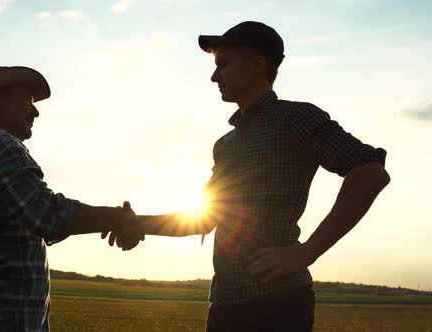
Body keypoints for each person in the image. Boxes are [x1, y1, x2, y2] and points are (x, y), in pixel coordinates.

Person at [108, 21, 390, 331]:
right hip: (224, 305)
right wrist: (138, 224)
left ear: (257, 65)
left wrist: (307, 252)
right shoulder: (226, 145)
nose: (215, 76)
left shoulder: (297, 117)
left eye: (224, 64)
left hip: (277, 305)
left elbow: (370, 173)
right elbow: (206, 218)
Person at [0, 66, 141, 332]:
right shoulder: (0, 145)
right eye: (27, 100)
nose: (35, 111)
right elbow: (45, 214)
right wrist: (116, 218)